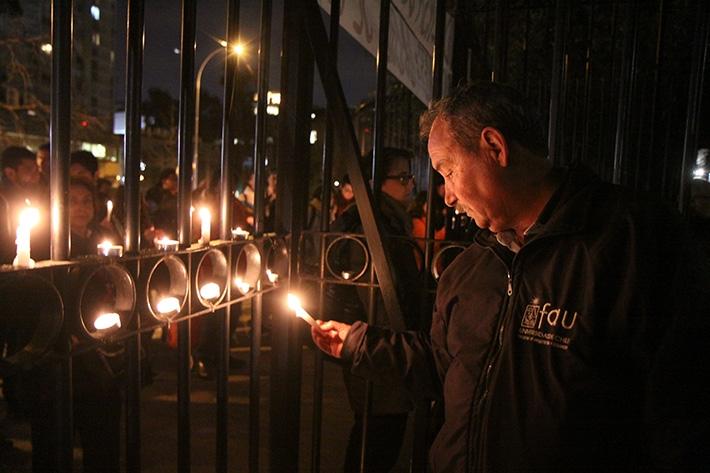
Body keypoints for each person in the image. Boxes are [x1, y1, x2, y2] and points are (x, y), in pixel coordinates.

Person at [311, 82, 710, 472]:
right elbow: (443, 365)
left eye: (447, 171)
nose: (446, 195)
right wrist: (358, 343)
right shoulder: (472, 267)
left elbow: (680, 413)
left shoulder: (634, 244)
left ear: (495, 148)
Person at [325, 147, 426, 473]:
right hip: (375, 345)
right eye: (403, 178)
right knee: (378, 437)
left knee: (378, 433)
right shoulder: (371, 224)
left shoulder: (388, 219)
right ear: (380, 182)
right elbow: (375, 297)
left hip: (378, 343)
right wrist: (394, 348)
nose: (411, 185)